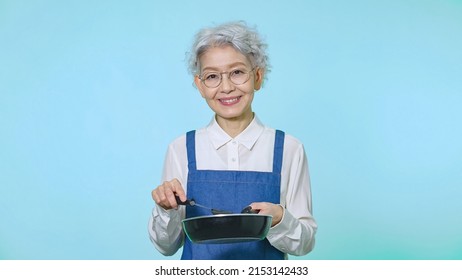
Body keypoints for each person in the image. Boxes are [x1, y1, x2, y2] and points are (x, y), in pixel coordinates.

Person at [148, 21, 317, 260]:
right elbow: (166, 246)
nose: (226, 87)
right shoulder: (180, 150)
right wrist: (166, 210)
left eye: (237, 72)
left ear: (257, 76)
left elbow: (305, 243)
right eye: (212, 76)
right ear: (200, 85)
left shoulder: (290, 149)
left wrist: (280, 218)